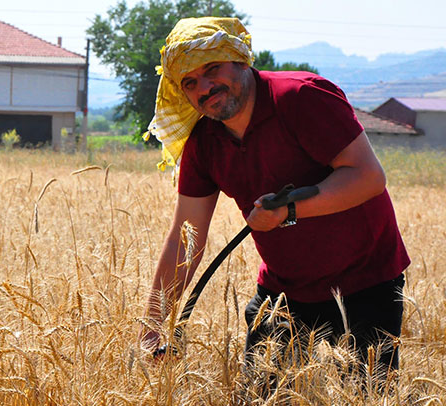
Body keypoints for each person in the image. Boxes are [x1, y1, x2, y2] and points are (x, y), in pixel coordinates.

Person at [139, 17, 410, 379]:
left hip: (365, 282)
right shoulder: (203, 143)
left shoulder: (301, 98)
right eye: (190, 82)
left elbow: (368, 177)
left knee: (368, 401)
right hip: (284, 290)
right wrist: (153, 323)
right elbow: (185, 239)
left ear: (239, 59)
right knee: (259, 402)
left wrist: (290, 210)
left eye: (212, 69)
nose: (204, 87)